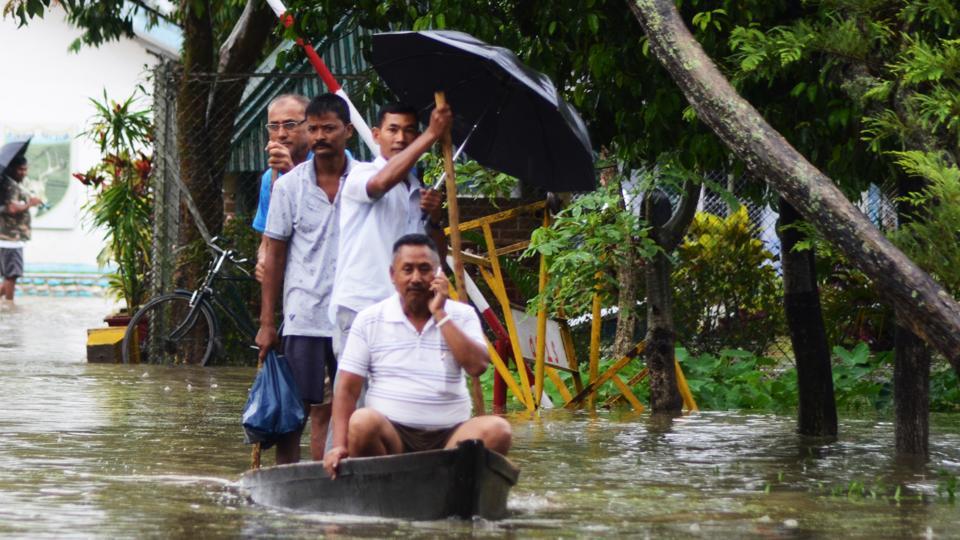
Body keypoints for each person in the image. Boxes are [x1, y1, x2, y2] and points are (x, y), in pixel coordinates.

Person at [323, 234, 511, 479]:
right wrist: (339, 446)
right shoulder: (370, 319)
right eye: (407, 270)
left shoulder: (461, 315)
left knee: (498, 430)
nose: (416, 278)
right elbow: (347, 389)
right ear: (393, 275)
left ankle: (451, 489)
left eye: (425, 270)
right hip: (392, 438)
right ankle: (384, 489)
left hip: (450, 437)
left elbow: (477, 366)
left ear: (438, 274)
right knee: (361, 422)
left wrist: (440, 314)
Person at [255, 93, 354, 464]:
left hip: (349, 315)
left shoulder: (363, 182)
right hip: (302, 314)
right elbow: (272, 254)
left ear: (348, 131)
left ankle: (326, 479)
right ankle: (288, 484)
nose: (319, 136)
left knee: (333, 410)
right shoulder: (282, 184)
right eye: (314, 129)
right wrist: (267, 324)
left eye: (328, 128)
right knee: (294, 409)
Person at [328, 103, 449, 357]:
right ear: (375, 134)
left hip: (404, 310)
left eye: (409, 131)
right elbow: (380, 184)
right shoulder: (360, 174)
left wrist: (436, 218)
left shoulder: (420, 192)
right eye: (392, 130)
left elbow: (437, 259)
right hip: (359, 306)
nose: (401, 138)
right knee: (356, 394)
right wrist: (431, 135)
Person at [252, 94, 312, 283]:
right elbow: (267, 237)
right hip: (295, 280)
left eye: (290, 125)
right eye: (273, 126)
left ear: (309, 125)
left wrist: (291, 172)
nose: (281, 134)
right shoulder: (270, 177)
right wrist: (262, 258)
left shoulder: (331, 160)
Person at [0, 156, 42, 302]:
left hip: (9, 239)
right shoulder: (10, 185)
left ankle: (8, 306)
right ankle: (10, 306)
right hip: (11, 239)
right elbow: (12, 208)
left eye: (25, 169)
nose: (24, 172)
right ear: (12, 169)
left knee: (9, 276)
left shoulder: (9, 184)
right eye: (20, 169)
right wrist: (30, 203)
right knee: (11, 276)